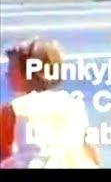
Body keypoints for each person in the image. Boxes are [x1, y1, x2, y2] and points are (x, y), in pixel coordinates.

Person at [1, 38, 100, 168]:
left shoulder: (14, 109)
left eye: (11, 68)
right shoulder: (74, 105)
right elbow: (91, 154)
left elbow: (3, 153)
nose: (6, 73)